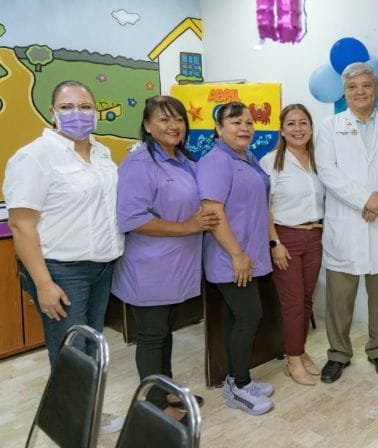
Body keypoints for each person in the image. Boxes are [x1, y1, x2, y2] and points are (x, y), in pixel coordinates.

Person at [3, 80, 125, 433]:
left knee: (91, 345)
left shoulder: (102, 154)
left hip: (101, 267)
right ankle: (73, 426)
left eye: (85, 106)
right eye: (67, 107)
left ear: (96, 111)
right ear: (52, 112)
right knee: (71, 352)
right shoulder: (34, 157)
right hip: (62, 271)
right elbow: (21, 225)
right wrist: (43, 283)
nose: (78, 114)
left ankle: (86, 415)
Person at [112, 96, 218, 420]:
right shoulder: (139, 164)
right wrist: (186, 226)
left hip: (177, 266)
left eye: (179, 119)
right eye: (163, 119)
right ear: (147, 126)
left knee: (164, 332)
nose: (173, 126)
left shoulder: (184, 159)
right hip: (150, 268)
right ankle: (154, 405)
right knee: (152, 336)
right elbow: (131, 218)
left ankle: (166, 390)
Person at [314, 62, 378, 383]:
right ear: (345, 92)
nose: (360, 92)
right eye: (353, 87)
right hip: (346, 225)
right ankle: (338, 354)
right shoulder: (329, 127)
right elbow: (327, 171)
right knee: (339, 300)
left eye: (366, 85)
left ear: (376, 89)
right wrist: (366, 200)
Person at [198, 102, 274, 415]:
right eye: (235, 122)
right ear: (218, 129)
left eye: (249, 122)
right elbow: (212, 212)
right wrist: (237, 254)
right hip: (230, 257)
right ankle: (239, 387)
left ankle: (237, 378)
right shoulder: (216, 161)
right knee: (249, 316)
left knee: (238, 318)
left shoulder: (247, 157)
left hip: (248, 254)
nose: (244, 128)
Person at [259, 104, 324, 386]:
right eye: (291, 124)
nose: (298, 129)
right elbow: (264, 207)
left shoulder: (319, 160)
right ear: (282, 130)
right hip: (286, 238)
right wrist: (274, 242)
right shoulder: (271, 162)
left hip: (315, 236)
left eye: (303, 123)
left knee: (307, 299)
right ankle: (293, 359)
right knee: (293, 303)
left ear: (311, 127)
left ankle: (299, 349)